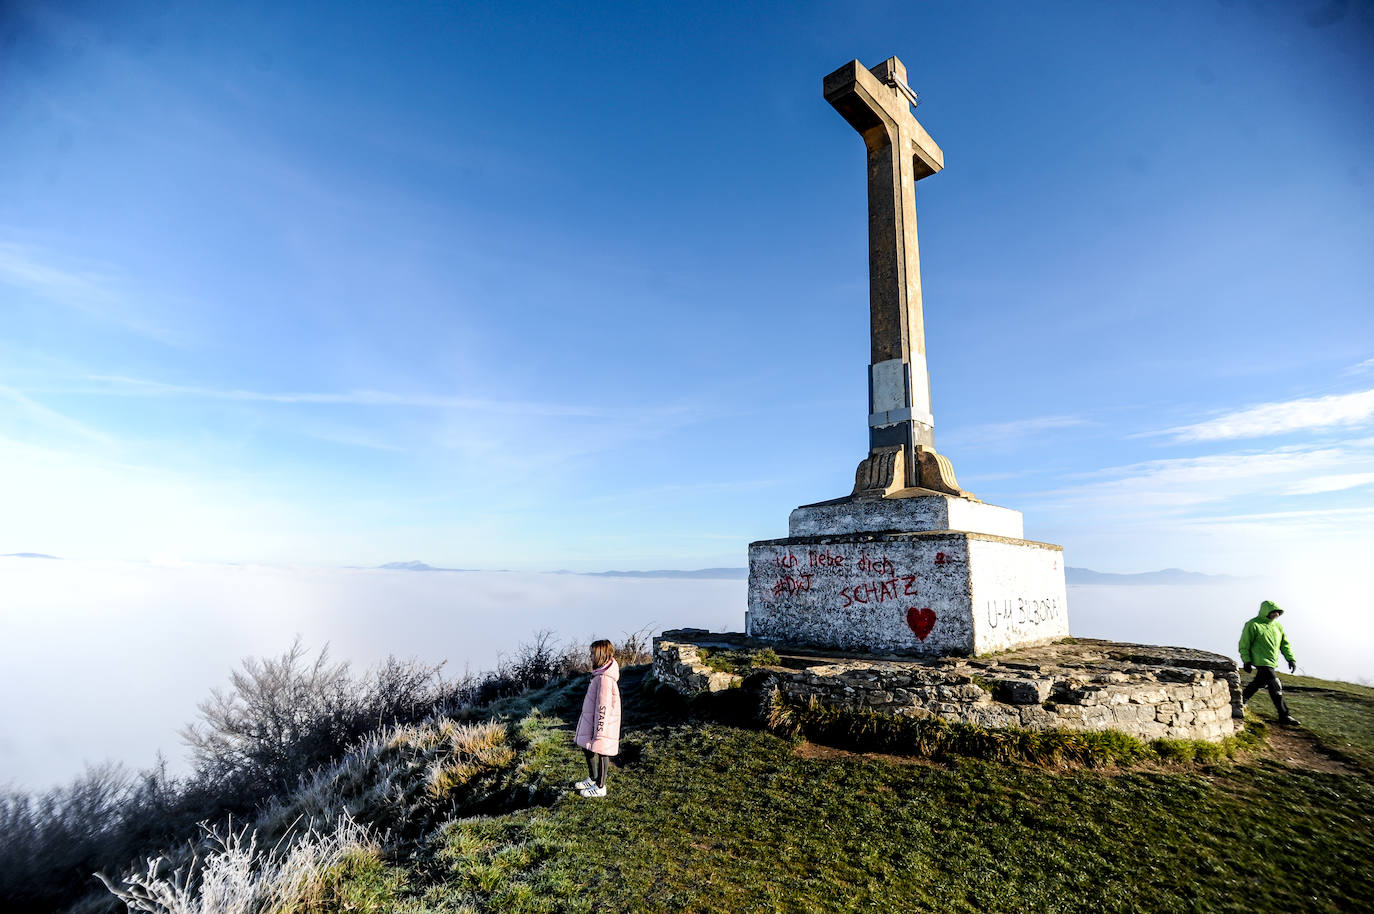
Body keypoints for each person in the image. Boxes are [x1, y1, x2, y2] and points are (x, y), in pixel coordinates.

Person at [1239, 600, 1300, 727]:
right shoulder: (1253, 624)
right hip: (1260, 661)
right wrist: (1247, 661)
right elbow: (1244, 644)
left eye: (1278, 612)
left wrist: (1290, 659)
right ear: (1265, 612)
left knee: (1259, 683)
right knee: (1275, 685)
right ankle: (1284, 715)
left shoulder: (1277, 627)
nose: (1275, 614)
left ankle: (1240, 700)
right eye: (1273, 612)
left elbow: (1284, 644)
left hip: (1271, 662)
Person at [573, 639, 621, 798]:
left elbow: (603, 706)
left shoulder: (605, 679)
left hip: (601, 723)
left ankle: (601, 786)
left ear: (600, 655)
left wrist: (600, 730)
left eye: (593, 653)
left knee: (602, 750)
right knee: (587, 747)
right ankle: (593, 778)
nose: (590, 656)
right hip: (592, 720)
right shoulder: (599, 674)